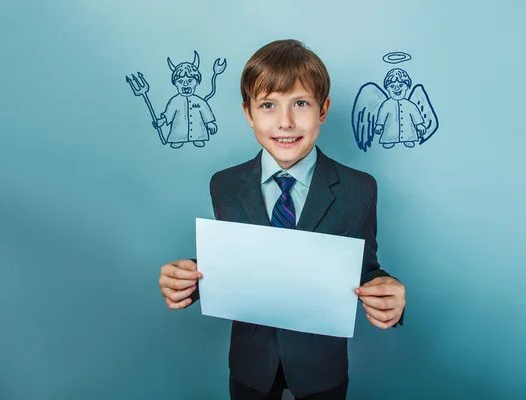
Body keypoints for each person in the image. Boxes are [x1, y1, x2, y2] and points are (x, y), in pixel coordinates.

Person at [158, 39, 406, 400]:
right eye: (269, 105)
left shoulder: (359, 189)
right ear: (249, 113)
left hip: (321, 365)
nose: (285, 122)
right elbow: (235, 263)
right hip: (251, 364)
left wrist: (389, 293)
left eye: (301, 104)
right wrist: (189, 280)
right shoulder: (224, 185)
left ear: (323, 110)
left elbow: (365, 269)